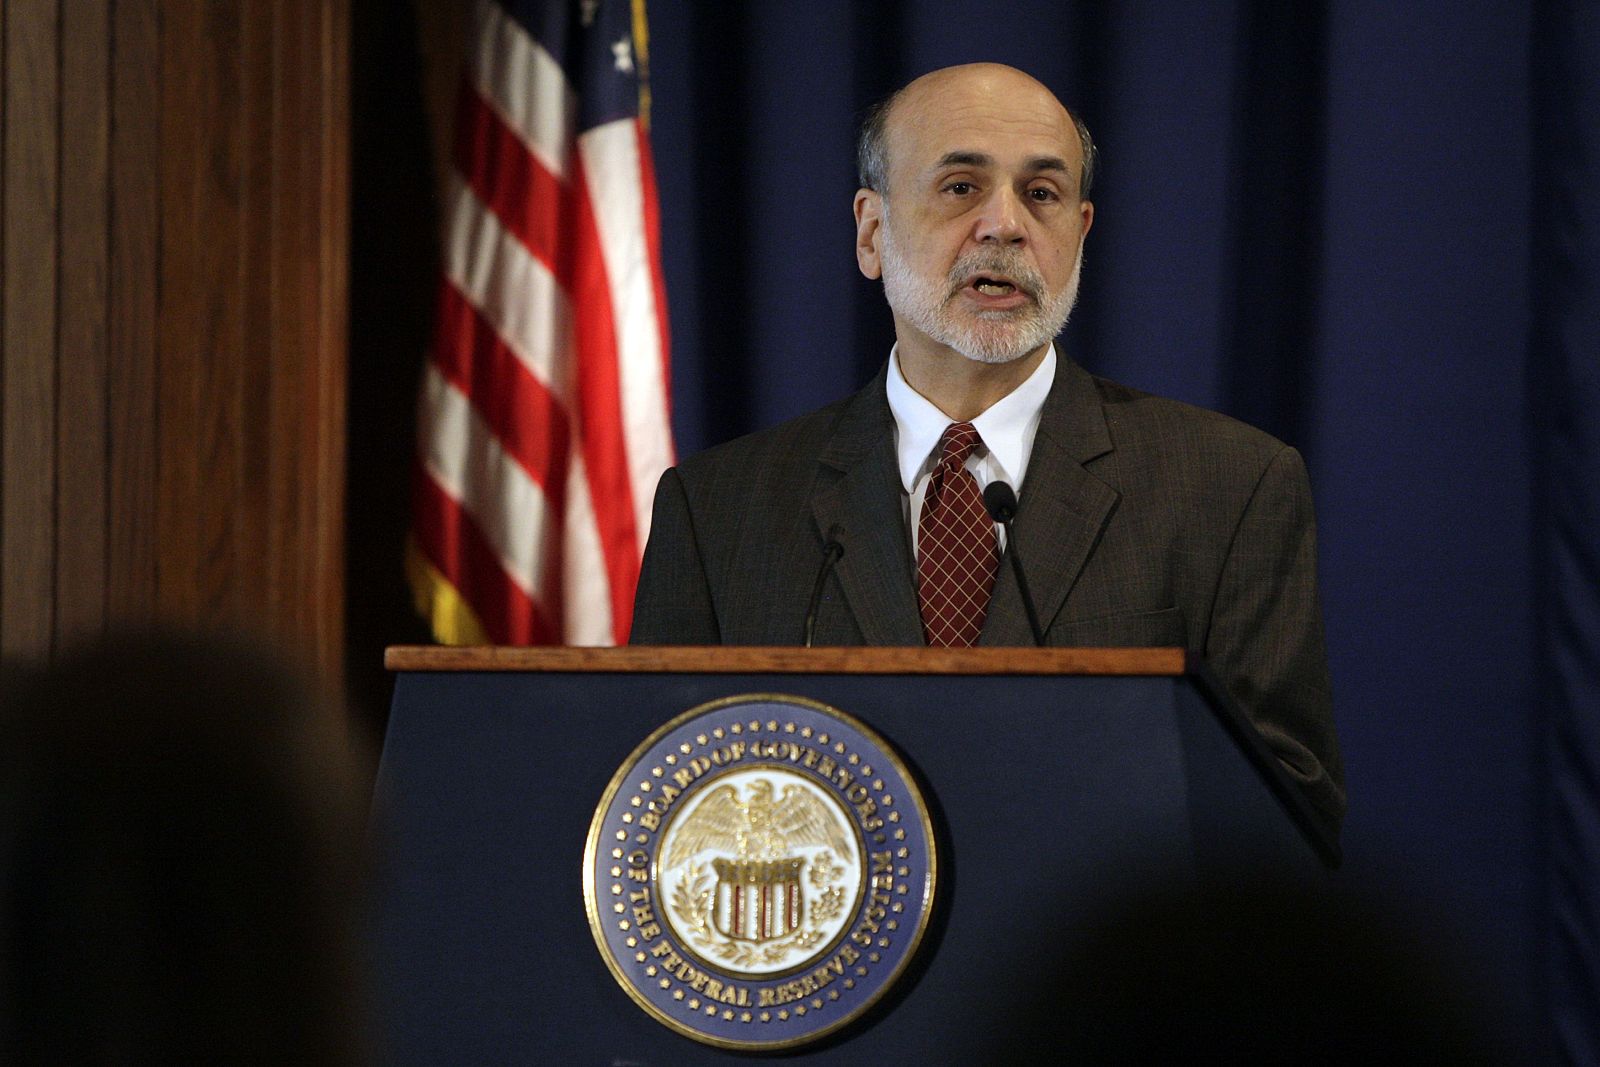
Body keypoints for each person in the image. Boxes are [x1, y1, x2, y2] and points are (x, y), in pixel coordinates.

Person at [630, 63, 1343, 832]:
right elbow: (659, 806)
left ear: (1079, 232)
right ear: (872, 232)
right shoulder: (717, 509)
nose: (1005, 225)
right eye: (961, 187)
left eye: (1042, 195)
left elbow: (1290, 814)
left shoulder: (1230, 487)